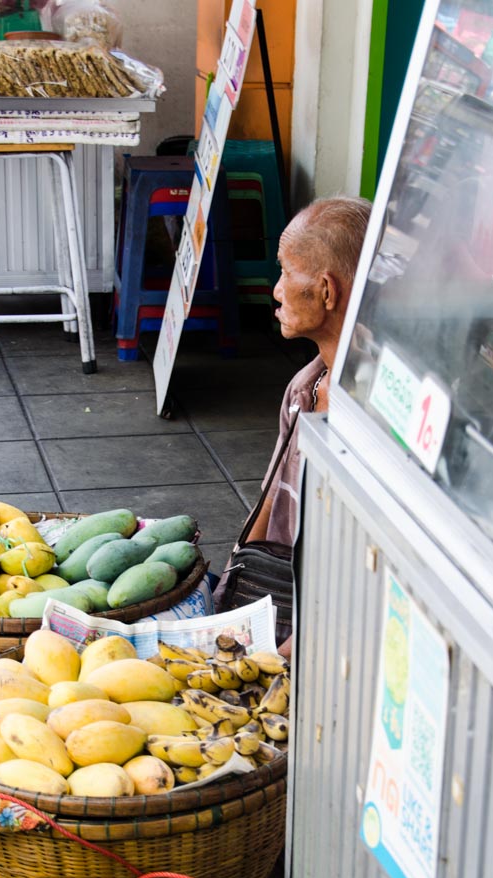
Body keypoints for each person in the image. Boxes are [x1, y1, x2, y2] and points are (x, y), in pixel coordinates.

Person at [214, 196, 373, 656]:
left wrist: (286, 657)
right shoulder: (307, 385)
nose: (277, 290)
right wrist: (233, 583)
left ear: (327, 290)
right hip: (282, 615)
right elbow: (269, 504)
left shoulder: (368, 419)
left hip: (332, 644)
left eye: (286, 271)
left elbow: (361, 575)